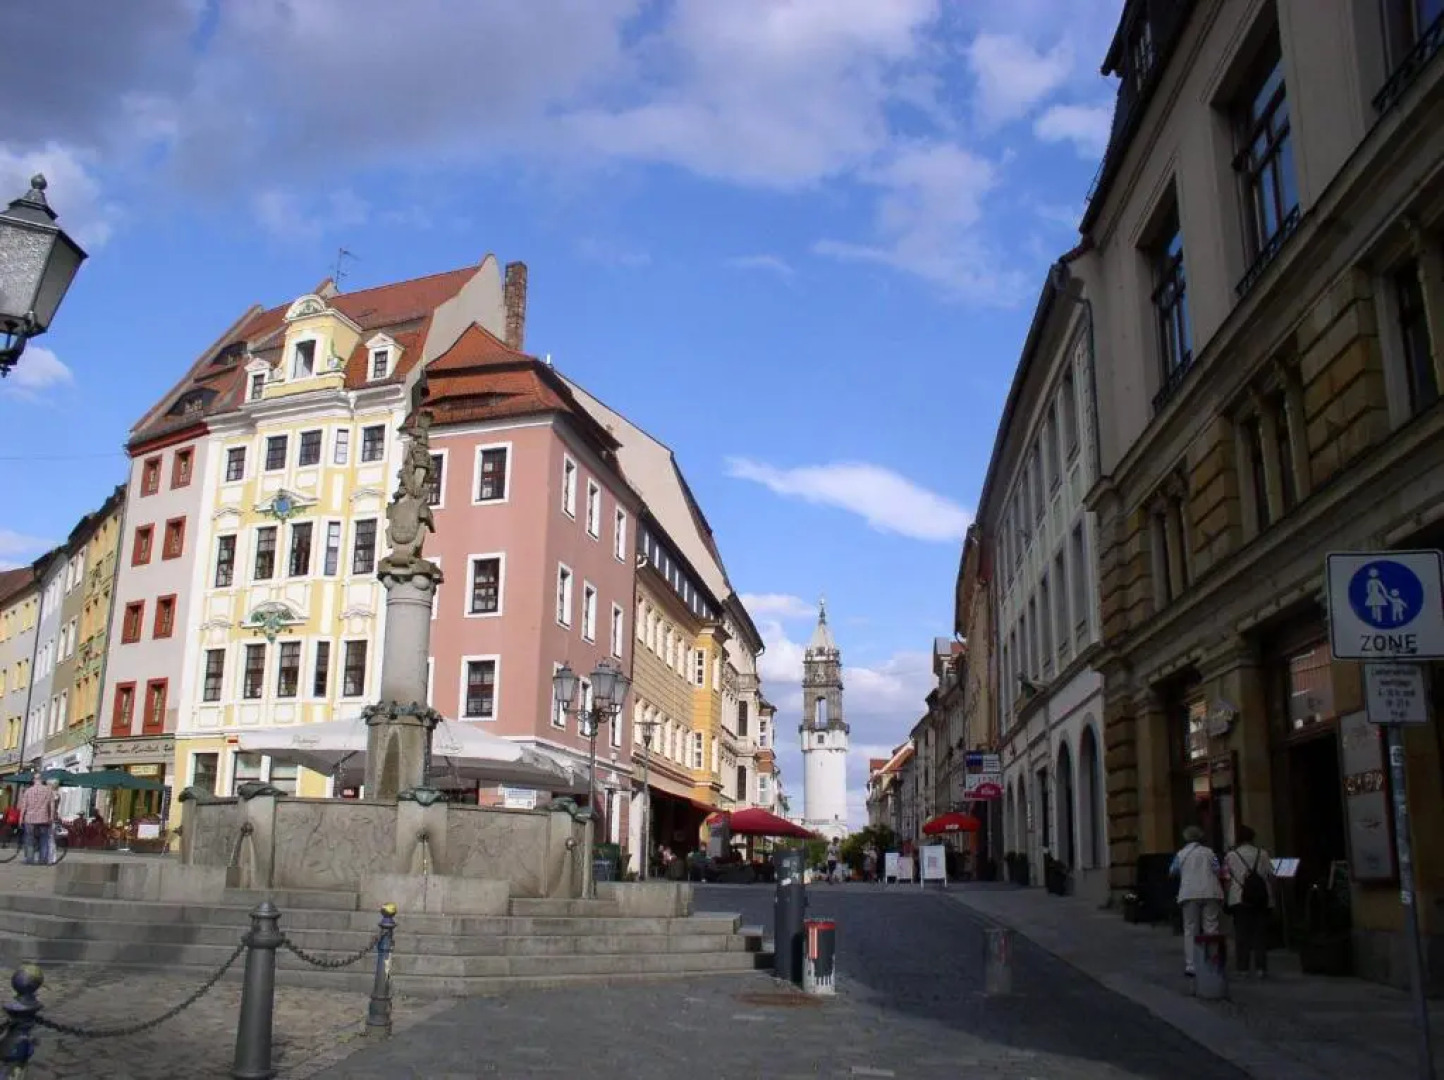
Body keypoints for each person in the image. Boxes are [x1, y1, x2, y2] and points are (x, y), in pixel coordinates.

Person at [1170, 825, 1223, 976]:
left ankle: (1191, 965)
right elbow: (1218, 870)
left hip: (1189, 894)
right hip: (1210, 892)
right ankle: (1213, 960)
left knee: (1190, 929)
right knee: (1211, 927)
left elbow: (1172, 871)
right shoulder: (1209, 852)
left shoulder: (1181, 854)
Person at [1225, 824, 1275, 978]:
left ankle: (1243, 968)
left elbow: (1226, 877)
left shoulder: (1231, 856)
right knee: (1260, 934)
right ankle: (1261, 967)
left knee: (1242, 934)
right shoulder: (1263, 854)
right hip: (1261, 897)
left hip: (1239, 897)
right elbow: (1270, 874)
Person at [18, 770, 58, 866]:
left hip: (29, 819)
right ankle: (43, 859)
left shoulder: (28, 791)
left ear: (33, 780)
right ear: (42, 780)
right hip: (43, 819)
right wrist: (51, 818)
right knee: (44, 839)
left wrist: (20, 819)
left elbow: (23, 807)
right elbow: (52, 807)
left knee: (29, 839)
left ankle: (29, 859)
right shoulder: (48, 791)